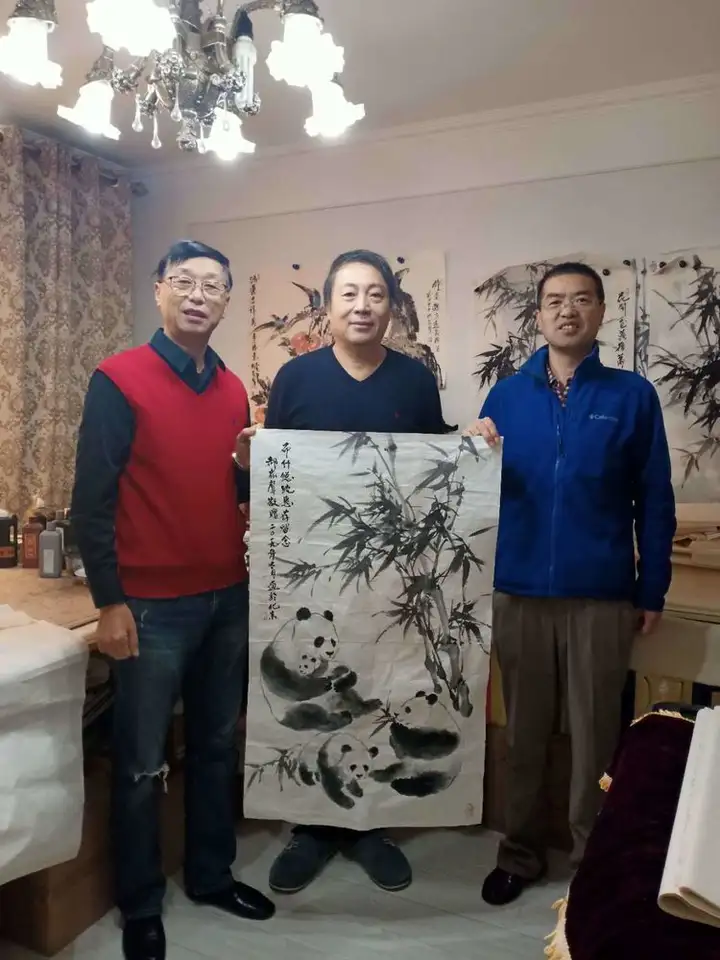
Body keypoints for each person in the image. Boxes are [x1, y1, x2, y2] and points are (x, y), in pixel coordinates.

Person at [71, 241, 275, 960]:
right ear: (158, 290)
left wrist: (247, 469)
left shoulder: (233, 388)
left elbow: (233, 492)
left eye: (212, 286)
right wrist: (110, 601)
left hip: (227, 597)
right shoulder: (118, 379)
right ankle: (141, 903)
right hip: (150, 606)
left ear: (226, 302)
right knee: (138, 762)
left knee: (217, 746)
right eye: (183, 282)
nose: (197, 295)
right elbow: (90, 501)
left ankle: (212, 875)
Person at [235, 249, 451, 896]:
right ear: (326, 307)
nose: (362, 306)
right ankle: (311, 826)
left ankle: (370, 825)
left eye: (375, 294)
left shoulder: (414, 380)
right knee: (316, 688)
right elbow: (273, 470)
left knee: (379, 683)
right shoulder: (296, 378)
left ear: (392, 307)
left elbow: (438, 465)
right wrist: (247, 459)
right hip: (311, 570)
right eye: (349, 294)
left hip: (390, 572)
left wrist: (478, 442)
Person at [464, 262, 676, 906]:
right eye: (555, 300)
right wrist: (471, 450)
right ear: (538, 315)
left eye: (582, 299)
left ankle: (593, 863)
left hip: (601, 594)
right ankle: (520, 853)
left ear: (601, 312)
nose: (567, 311)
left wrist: (652, 588)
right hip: (519, 590)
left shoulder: (631, 395)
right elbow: (475, 496)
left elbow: (655, 499)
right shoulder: (506, 397)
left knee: (595, 740)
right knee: (524, 735)